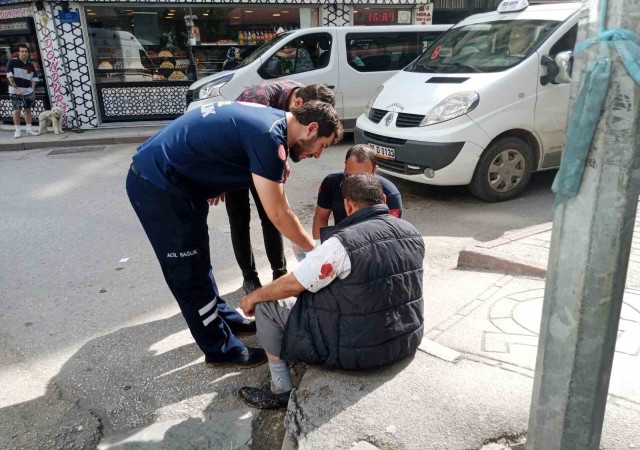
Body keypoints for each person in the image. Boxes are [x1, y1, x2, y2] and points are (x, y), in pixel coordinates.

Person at [126, 100, 343, 369]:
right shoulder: (268, 137)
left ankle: (222, 315)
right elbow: (279, 214)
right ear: (311, 128)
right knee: (188, 271)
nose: (319, 155)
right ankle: (220, 349)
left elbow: (224, 144)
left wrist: (217, 176)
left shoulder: (273, 122)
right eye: (322, 146)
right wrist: (313, 253)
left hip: (181, 185)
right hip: (158, 186)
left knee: (199, 258)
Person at [237, 173, 425, 408]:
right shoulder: (412, 233)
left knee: (267, 304)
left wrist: (254, 296)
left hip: (358, 352)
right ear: (383, 198)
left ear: (347, 205)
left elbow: (292, 285)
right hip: (405, 340)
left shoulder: (342, 244)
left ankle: (280, 389)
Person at [230, 81, 336, 294]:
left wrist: (282, 159)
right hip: (236, 160)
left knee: (271, 217)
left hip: (264, 154)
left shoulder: (307, 94)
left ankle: (279, 272)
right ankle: (249, 277)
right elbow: (244, 142)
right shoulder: (257, 102)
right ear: (298, 104)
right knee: (240, 219)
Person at [312, 144, 403, 240]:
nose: (355, 184)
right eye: (349, 176)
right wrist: (320, 248)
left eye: (363, 177)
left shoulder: (391, 194)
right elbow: (321, 217)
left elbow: (391, 233)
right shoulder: (331, 183)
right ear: (345, 164)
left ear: (374, 170)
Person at [7, 44, 40, 139]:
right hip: (14, 91)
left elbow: (34, 78)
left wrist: (32, 89)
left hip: (27, 91)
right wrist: (16, 89)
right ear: (18, 52)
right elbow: (9, 76)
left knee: (28, 110)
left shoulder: (30, 66)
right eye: (22, 51)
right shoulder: (12, 62)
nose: (24, 53)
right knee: (17, 111)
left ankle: (29, 129)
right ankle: (17, 130)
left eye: (26, 51)